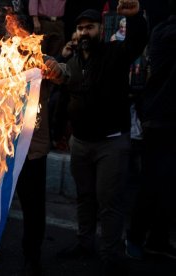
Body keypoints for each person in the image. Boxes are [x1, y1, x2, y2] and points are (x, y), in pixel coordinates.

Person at [56, 2, 148, 275]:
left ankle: (110, 254)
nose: (84, 32)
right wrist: (61, 130)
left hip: (111, 142)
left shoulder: (114, 53)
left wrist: (134, 19)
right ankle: (85, 244)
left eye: (90, 27)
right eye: (80, 28)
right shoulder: (72, 61)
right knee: (84, 197)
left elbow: (136, 42)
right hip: (80, 143)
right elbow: (65, 98)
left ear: (100, 30)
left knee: (109, 201)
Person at [125, 0, 176, 260]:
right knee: (153, 182)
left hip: (166, 118)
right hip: (161, 118)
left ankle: (158, 238)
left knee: (169, 185)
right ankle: (135, 236)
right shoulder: (165, 33)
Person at [16, 58, 67, 276]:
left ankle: (32, 256)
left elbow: (64, 74)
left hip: (32, 150)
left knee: (33, 207)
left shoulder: (39, 60)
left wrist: (57, 67)